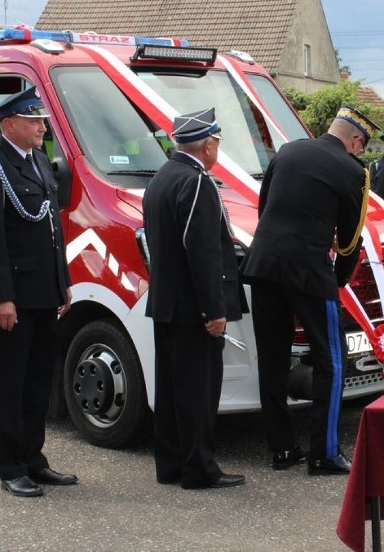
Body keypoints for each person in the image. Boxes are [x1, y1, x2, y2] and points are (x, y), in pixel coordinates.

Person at [241, 104, 379, 476]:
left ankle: (282, 448)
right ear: (355, 140)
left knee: (272, 360)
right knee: (330, 362)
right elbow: (350, 239)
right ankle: (325, 453)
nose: (360, 153)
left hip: (265, 264)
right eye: (361, 146)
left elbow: (264, 206)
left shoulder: (288, 150)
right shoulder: (353, 170)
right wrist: (337, 279)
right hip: (308, 272)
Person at [0, 86, 75, 497]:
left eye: (41, 120)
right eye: (34, 121)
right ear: (9, 124)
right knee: (10, 385)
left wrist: (61, 281)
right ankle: (11, 466)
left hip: (43, 292)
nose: (42, 127)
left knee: (37, 381)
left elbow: (53, 231)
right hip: (11, 297)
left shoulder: (41, 163)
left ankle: (34, 458)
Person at [143, 108, 245, 489]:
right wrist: (213, 308)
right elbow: (201, 252)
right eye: (217, 142)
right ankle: (199, 468)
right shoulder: (197, 182)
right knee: (198, 392)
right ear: (207, 144)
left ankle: (170, 465)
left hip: (168, 302)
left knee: (170, 390)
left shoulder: (161, 178)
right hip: (193, 308)